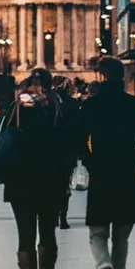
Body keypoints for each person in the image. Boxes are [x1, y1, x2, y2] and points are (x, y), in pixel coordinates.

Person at [77, 56, 135, 269]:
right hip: (127, 175)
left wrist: (91, 162)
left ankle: (104, 267)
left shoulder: (91, 106)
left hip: (101, 175)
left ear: (101, 77)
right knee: (121, 237)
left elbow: (80, 140)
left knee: (97, 233)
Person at [0, 68, 74, 269]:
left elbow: (1, 139)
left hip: (20, 181)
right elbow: (69, 145)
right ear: (49, 85)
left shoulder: (15, 109)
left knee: (25, 236)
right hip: (50, 181)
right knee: (48, 233)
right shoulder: (57, 109)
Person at [53, 76, 81, 229]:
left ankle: (52, 215)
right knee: (65, 183)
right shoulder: (73, 104)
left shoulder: (48, 102)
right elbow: (78, 128)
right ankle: (63, 217)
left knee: (51, 184)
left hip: (50, 151)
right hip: (68, 151)